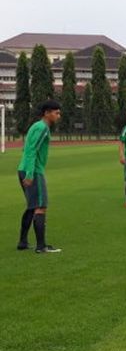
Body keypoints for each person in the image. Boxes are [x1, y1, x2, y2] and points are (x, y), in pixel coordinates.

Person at [17, 100, 62, 253]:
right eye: (56, 113)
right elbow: (32, 151)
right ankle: (41, 247)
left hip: (25, 168)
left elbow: (26, 148)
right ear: (47, 113)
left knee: (32, 206)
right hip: (34, 171)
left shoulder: (36, 126)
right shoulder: (42, 128)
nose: (58, 116)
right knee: (40, 206)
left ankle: (23, 242)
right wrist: (30, 174)